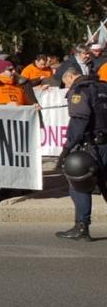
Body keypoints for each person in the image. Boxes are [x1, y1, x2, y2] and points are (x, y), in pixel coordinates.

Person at [56, 68, 107, 241]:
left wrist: (67, 149)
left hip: (92, 145)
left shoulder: (80, 90)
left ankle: (81, 227)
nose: (67, 86)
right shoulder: (103, 87)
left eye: (66, 82)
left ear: (70, 76)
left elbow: (79, 121)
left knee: (79, 183)